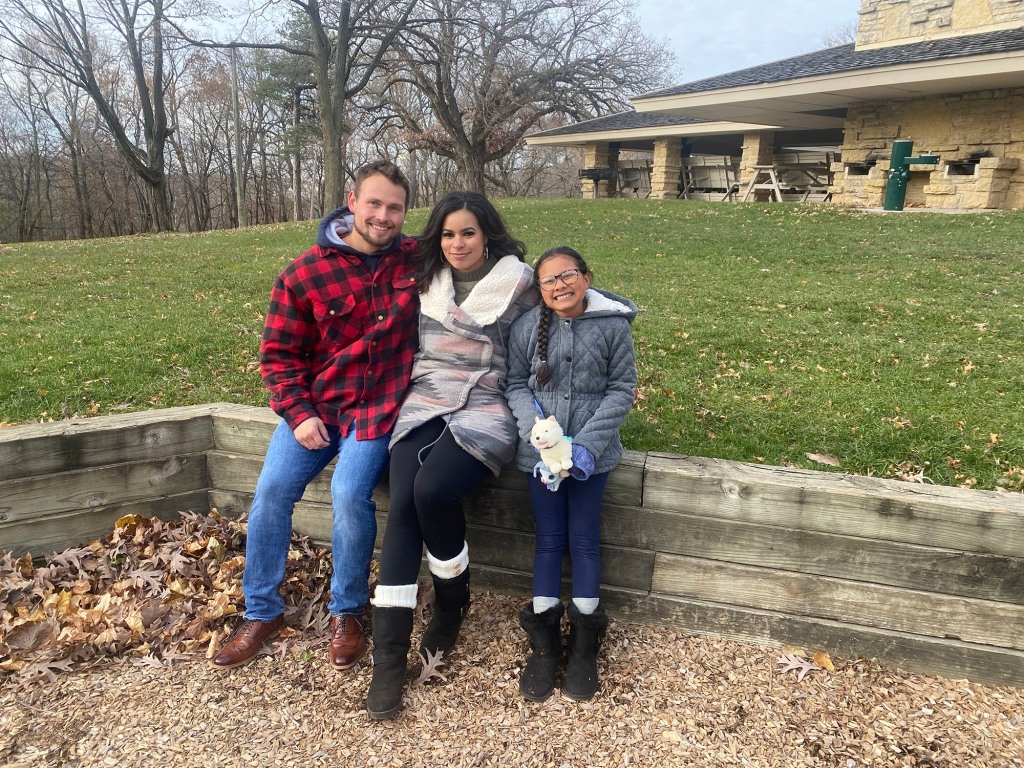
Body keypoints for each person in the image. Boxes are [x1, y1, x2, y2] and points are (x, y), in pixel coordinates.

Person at [210, 160, 419, 671]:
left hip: (377, 409)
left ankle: (345, 613)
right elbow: (278, 356)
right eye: (374, 203)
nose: (384, 216)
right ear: (352, 201)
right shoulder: (304, 273)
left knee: (350, 495)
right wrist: (299, 414)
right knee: (271, 494)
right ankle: (261, 611)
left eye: (395, 207)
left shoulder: (417, 259)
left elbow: (479, 252)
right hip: (317, 407)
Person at [366, 191, 538, 720]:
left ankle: (451, 600)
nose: (457, 243)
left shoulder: (519, 284)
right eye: (447, 234)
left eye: (467, 232)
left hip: (488, 401)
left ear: (487, 233)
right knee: (401, 504)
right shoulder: (427, 282)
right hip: (425, 395)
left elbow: (554, 327)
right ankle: (388, 658)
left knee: (431, 489)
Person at [505, 246, 637, 702]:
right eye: (549, 280)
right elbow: (515, 385)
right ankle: (544, 645)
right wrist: (535, 436)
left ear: (586, 277)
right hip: (539, 460)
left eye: (568, 275)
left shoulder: (613, 327)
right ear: (539, 290)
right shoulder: (526, 329)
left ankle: (583, 645)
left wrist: (585, 448)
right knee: (548, 540)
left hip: (591, 458)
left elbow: (622, 389)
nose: (560, 286)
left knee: (582, 540)